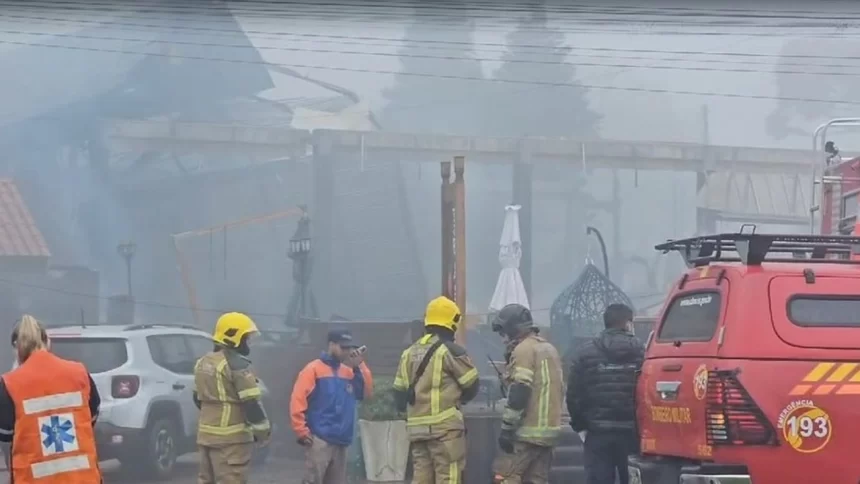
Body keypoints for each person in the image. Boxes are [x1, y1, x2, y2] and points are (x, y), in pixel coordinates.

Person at [0, 314, 102, 483]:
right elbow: (92, 415)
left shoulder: (10, 384)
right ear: (47, 342)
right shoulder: (79, 372)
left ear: (16, 348)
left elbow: (4, 434)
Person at [393, 296, 479, 484]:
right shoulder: (451, 351)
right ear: (452, 322)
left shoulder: (408, 353)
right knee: (449, 477)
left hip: (417, 431)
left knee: (421, 477)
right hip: (445, 431)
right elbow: (472, 385)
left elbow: (399, 395)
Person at [567, 303, 645, 484]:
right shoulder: (643, 353)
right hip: (633, 434)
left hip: (597, 433)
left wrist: (580, 426)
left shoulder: (585, 353)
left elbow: (573, 394)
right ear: (628, 324)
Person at [490, 303, 564, 484]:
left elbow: (520, 391)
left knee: (506, 477)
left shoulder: (523, 350)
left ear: (513, 330)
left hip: (525, 434)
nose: (503, 340)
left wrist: (507, 429)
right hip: (548, 435)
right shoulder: (549, 349)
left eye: (503, 333)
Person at [194, 312, 271, 484]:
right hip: (231, 443)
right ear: (233, 337)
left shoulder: (202, 362)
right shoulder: (237, 365)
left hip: (206, 438)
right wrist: (263, 433)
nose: (248, 342)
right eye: (245, 337)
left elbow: (197, 398)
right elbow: (251, 404)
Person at [290, 329, 373, 484]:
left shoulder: (349, 372)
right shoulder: (313, 369)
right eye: (343, 348)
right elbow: (298, 400)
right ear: (331, 345)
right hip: (319, 439)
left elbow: (366, 393)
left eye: (349, 348)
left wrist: (359, 365)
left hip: (341, 440)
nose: (346, 352)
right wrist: (300, 430)